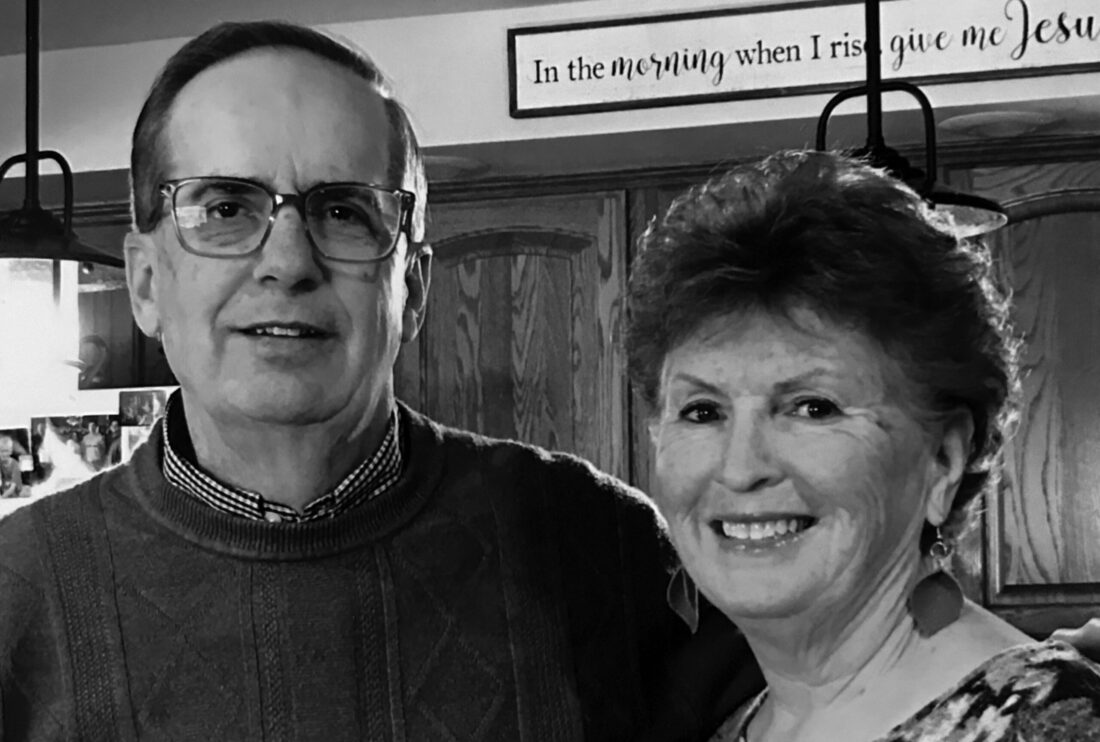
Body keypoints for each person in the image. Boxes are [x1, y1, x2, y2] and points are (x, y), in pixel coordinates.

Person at [0, 21, 760, 740]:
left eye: (342, 212)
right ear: (144, 283)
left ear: (414, 289)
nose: (288, 262)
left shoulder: (598, 540)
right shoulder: (17, 592)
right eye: (226, 207)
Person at [624, 149, 1100, 741]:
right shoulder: (732, 728)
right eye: (702, 411)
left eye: (812, 407)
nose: (741, 468)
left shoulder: (1054, 720)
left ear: (944, 459)